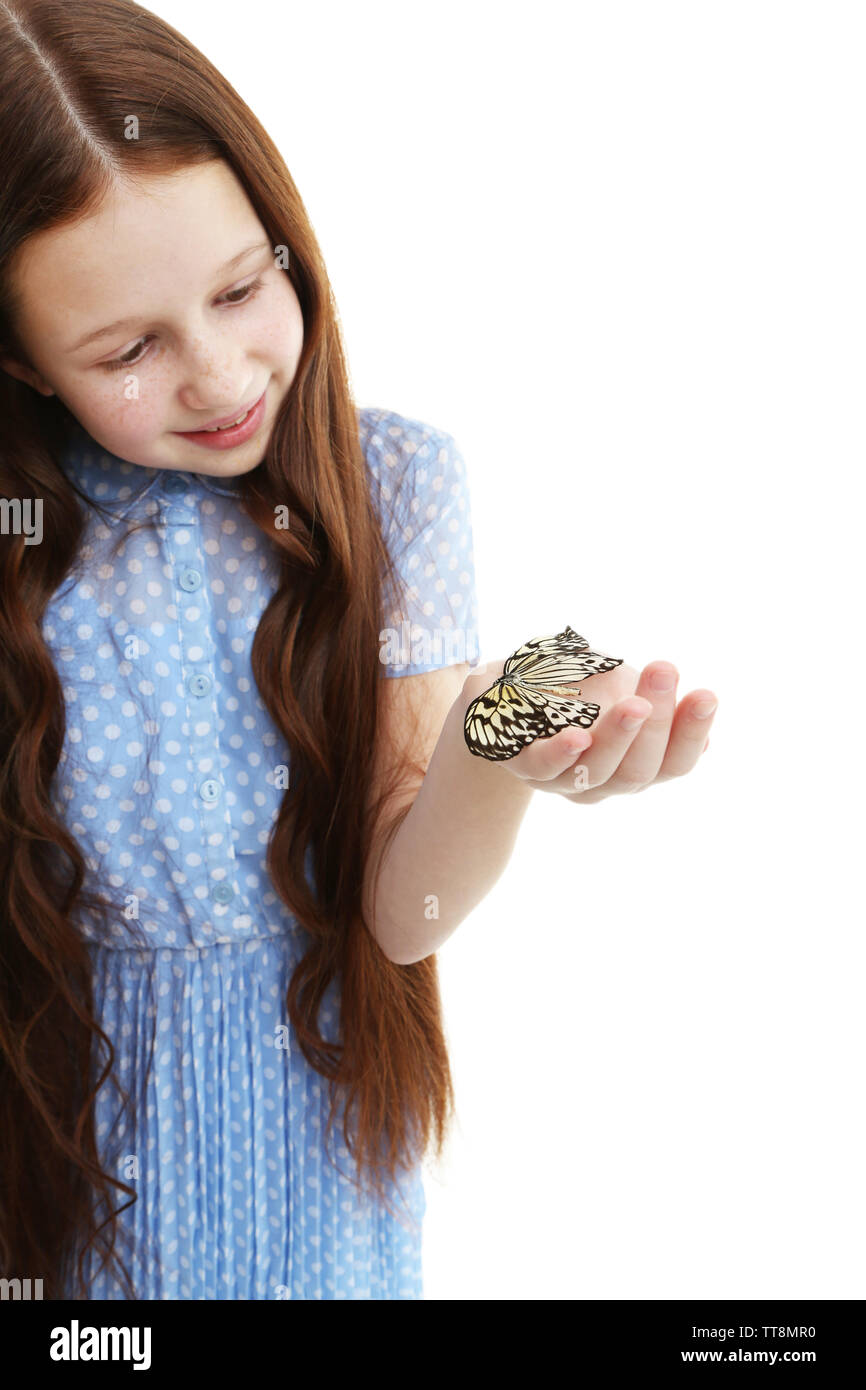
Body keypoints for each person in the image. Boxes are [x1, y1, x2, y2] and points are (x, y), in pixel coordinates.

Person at [0, 0, 718, 1301]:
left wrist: (493, 739)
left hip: (314, 1126)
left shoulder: (395, 483)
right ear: (21, 360)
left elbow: (405, 907)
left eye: (240, 288)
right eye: (129, 348)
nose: (220, 377)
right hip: (49, 1135)